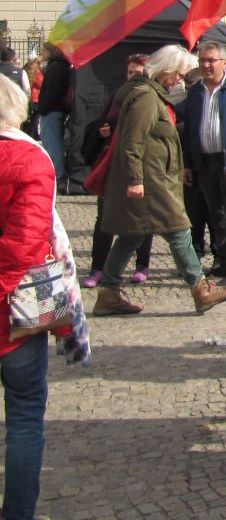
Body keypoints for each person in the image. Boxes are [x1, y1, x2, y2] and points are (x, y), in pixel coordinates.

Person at [92, 45, 226, 318]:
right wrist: (136, 179)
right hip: (151, 180)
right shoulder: (147, 97)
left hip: (153, 176)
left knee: (132, 235)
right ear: (166, 71)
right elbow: (132, 141)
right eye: (179, 74)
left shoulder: (150, 94)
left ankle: (108, 292)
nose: (180, 80)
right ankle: (200, 289)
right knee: (179, 229)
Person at [0, 74, 56, 520]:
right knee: (23, 419)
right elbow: (26, 243)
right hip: (14, 312)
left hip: (12, 307)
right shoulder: (30, 158)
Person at [80, 54, 153, 287]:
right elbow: (100, 123)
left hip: (140, 164)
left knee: (142, 218)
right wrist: (103, 132)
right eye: (130, 72)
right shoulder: (117, 96)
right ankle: (97, 268)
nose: (133, 77)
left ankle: (142, 265)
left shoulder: (149, 98)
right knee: (105, 218)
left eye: (138, 73)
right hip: (112, 164)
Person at [180, 41, 226, 278]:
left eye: (210, 60)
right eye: (202, 60)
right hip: (205, 161)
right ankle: (220, 258)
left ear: (224, 63)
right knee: (215, 213)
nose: (205, 65)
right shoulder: (195, 91)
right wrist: (187, 163)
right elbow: (188, 129)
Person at [36, 42, 72, 193]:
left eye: (43, 50)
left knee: (52, 145)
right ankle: (59, 176)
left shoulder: (55, 67)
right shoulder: (60, 66)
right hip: (55, 109)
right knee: (54, 143)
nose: (42, 53)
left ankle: (59, 177)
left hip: (51, 110)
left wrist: (42, 108)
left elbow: (50, 91)